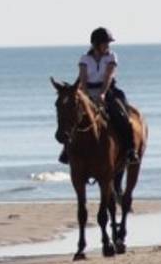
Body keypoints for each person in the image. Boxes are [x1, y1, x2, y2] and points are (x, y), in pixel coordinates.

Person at [58, 27, 139, 165]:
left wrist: (102, 93)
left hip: (108, 91)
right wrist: (84, 95)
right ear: (96, 44)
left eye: (108, 43)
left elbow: (108, 76)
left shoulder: (111, 57)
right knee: (72, 116)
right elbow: (83, 78)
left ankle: (130, 150)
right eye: (105, 43)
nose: (108, 46)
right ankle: (66, 150)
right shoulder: (85, 59)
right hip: (88, 92)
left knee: (122, 115)